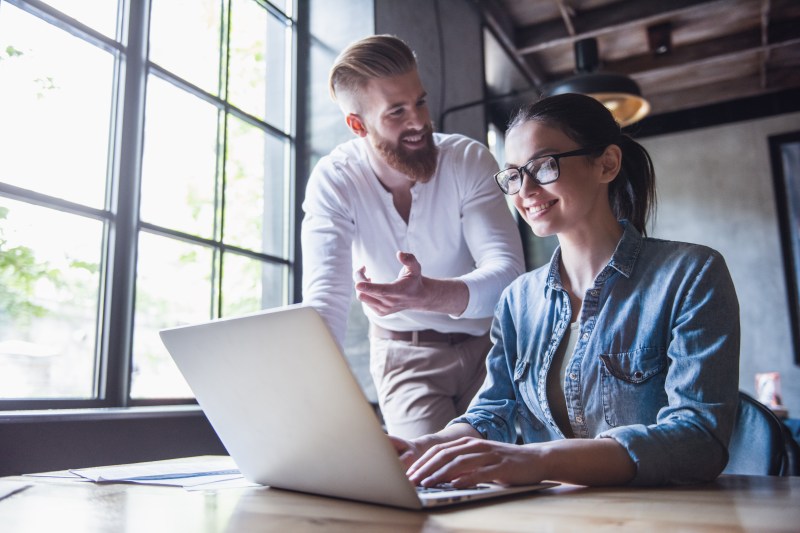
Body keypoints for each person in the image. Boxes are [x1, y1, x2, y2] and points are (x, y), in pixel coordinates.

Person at [391, 93, 740, 487]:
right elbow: (493, 414)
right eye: (514, 175)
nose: (524, 190)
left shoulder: (690, 274)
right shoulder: (517, 300)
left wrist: (540, 460)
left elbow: (700, 439)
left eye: (542, 166)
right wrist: (426, 447)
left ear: (606, 163)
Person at [300, 35, 525, 439]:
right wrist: (311, 400)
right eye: (396, 112)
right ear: (357, 125)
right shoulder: (334, 181)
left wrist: (428, 295)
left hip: (490, 351)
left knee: (503, 473)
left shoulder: (467, 158)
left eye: (420, 101)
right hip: (404, 357)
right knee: (430, 482)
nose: (419, 122)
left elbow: (508, 276)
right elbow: (326, 300)